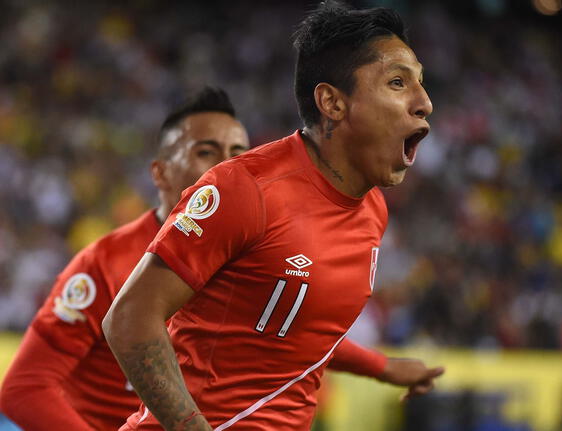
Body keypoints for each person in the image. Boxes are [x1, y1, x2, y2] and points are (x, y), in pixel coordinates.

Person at [103, 2, 443, 430]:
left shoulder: (372, 210)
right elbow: (130, 318)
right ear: (332, 103)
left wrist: (381, 367)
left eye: (421, 84)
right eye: (398, 82)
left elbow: (296, 330)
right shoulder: (246, 190)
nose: (425, 103)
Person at [0, 87, 251, 430]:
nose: (228, 166)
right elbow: (23, 389)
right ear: (160, 173)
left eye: (239, 153)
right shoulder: (106, 263)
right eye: (207, 152)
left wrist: (350, 361)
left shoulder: (249, 259)